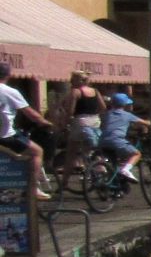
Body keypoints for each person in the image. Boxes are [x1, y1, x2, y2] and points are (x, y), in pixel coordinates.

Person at [0, 63, 55, 200]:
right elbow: (31, 114)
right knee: (37, 152)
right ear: (8, 75)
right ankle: (32, 188)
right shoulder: (10, 92)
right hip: (5, 136)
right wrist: (45, 122)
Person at [57, 71, 106, 172]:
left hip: (80, 122)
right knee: (90, 146)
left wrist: (64, 125)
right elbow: (103, 107)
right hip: (95, 121)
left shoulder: (76, 92)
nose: (70, 82)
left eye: (72, 79)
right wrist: (94, 114)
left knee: (71, 150)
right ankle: (95, 165)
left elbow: (70, 111)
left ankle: (65, 181)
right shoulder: (95, 91)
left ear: (76, 80)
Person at [100, 93, 148, 183]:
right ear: (125, 104)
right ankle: (125, 170)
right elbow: (145, 123)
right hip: (116, 140)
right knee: (136, 153)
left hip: (103, 140)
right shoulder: (127, 115)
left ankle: (113, 182)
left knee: (113, 160)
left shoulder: (107, 114)